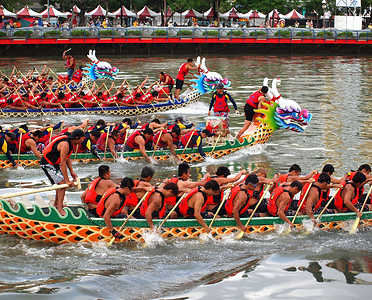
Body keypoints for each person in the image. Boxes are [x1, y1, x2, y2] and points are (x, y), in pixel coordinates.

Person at [40, 129, 85, 216]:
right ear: (76, 138)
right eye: (82, 138)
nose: (83, 140)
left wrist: (71, 172)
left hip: (54, 163)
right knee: (63, 183)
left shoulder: (70, 144)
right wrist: (67, 180)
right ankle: (59, 208)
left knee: (61, 183)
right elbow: (63, 163)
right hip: (47, 163)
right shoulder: (65, 144)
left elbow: (67, 158)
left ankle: (57, 204)